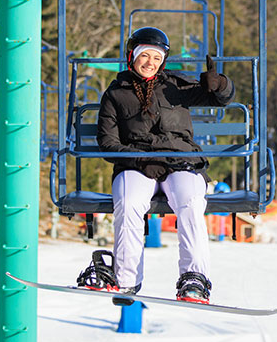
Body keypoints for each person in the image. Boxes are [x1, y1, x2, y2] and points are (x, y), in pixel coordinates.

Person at [96, 26, 235, 304]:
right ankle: (125, 278)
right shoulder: (116, 94)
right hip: (136, 164)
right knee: (128, 201)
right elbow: (108, 142)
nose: (150, 63)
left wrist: (220, 84)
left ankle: (194, 278)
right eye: (144, 56)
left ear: (163, 61)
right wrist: (140, 159)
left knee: (191, 202)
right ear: (131, 56)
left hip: (181, 161)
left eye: (157, 58)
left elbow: (219, 98)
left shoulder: (175, 85)